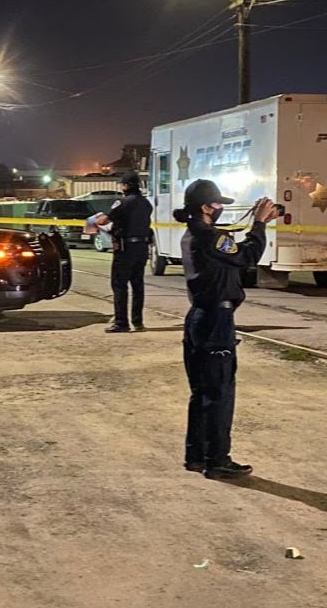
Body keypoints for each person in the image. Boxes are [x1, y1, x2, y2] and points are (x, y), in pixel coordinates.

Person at [175, 179, 279, 479]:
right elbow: (247, 257)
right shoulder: (211, 237)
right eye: (218, 204)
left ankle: (196, 455)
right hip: (216, 322)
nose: (221, 209)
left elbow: (233, 254)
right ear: (207, 207)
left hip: (198, 317)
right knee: (219, 393)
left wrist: (255, 228)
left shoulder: (194, 234)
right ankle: (218, 460)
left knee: (201, 392)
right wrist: (259, 224)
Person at [99, 171, 153, 333]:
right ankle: (138, 321)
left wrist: (96, 222)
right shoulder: (146, 204)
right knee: (138, 285)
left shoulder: (123, 203)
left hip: (125, 249)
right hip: (142, 248)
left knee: (120, 285)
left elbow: (105, 220)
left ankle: (121, 322)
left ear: (125, 186)